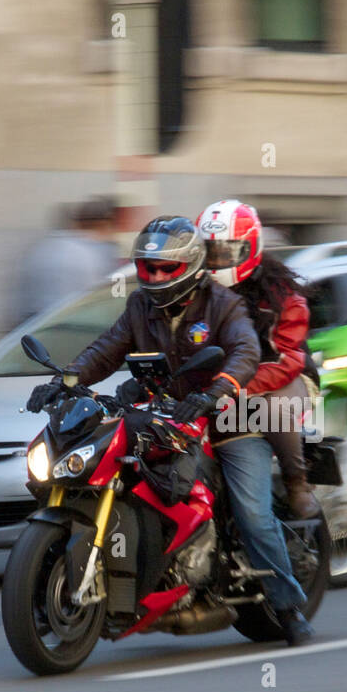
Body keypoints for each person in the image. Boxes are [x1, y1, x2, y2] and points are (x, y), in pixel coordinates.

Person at [28, 215, 314, 645]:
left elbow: (244, 351)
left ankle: (289, 605)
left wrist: (220, 388)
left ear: (192, 266)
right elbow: (107, 349)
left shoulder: (223, 304)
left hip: (228, 417)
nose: (156, 276)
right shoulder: (140, 305)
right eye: (148, 267)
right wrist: (67, 379)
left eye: (167, 268)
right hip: (165, 411)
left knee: (253, 514)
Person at [196, 199, 320, 519]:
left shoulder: (283, 296)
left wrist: (235, 386)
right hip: (218, 385)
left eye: (226, 252)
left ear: (251, 247)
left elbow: (287, 359)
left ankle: (297, 482)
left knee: (272, 408)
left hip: (284, 380)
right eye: (210, 252)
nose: (217, 260)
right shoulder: (196, 293)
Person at [10, 195, 120, 327]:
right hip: (68, 329)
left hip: (31, 329)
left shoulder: (38, 249)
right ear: (103, 225)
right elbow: (95, 303)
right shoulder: (87, 255)